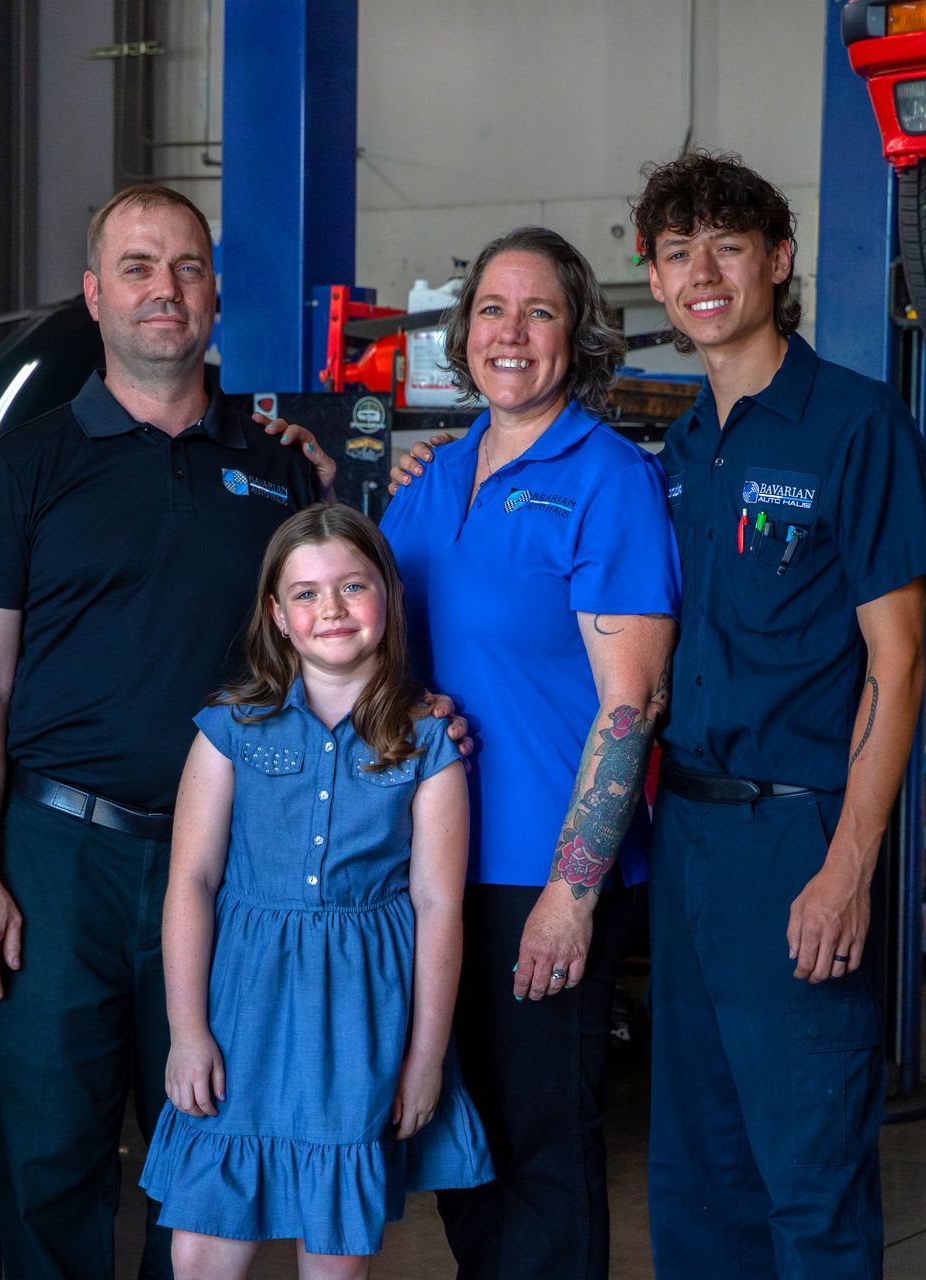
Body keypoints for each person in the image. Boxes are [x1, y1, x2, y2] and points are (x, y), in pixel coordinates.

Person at [0, 183, 354, 1280]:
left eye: (184, 267)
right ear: (94, 294)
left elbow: (341, 641)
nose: (162, 288)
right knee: (47, 1155)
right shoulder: (28, 465)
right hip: (61, 857)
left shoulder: (281, 470)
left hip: (229, 860)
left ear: (216, 293)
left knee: (206, 1151)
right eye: (135, 266)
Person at [632, 151, 926, 1276]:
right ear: (656, 283)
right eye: (677, 253)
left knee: (806, 1178)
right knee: (699, 1170)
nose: (701, 272)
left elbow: (895, 664)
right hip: (690, 839)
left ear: (779, 259)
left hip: (797, 835)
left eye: (725, 244)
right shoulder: (680, 447)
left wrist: (848, 865)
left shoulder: (854, 426)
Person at [375, 227, 679, 1278]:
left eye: (539, 311)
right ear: (464, 338)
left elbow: (631, 703)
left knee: (544, 1151)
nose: (512, 332)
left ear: (577, 334)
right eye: (492, 311)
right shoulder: (426, 481)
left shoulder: (608, 480)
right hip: (429, 871)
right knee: (461, 1146)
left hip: (537, 871)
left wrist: (573, 890)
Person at [140, 504, 492, 1278]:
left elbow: (438, 907)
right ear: (277, 615)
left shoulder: (429, 743)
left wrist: (425, 1058)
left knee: (334, 1254)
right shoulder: (229, 729)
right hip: (243, 1012)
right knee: (200, 1248)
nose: (330, 609)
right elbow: (192, 882)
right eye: (305, 593)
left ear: (390, 599)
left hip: (360, 1024)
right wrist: (187, 1030)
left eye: (352, 586)